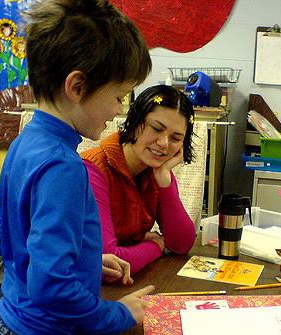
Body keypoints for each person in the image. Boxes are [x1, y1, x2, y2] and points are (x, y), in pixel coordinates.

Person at [0, 0, 154, 335]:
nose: (118, 111)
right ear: (77, 86)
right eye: (118, 96)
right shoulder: (64, 166)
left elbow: (3, 238)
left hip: (9, 329)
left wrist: (86, 261)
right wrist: (117, 313)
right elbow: (50, 287)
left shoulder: (25, 142)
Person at [81, 85, 196, 274]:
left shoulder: (156, 171)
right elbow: (110, 266)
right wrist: (156, 246)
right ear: (134, 122)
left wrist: (164, 180)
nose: (164, 144)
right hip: (85, 291)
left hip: (133, 282)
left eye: (176, 138)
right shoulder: (93, 171)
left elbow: (181, 244)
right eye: (156, 129)